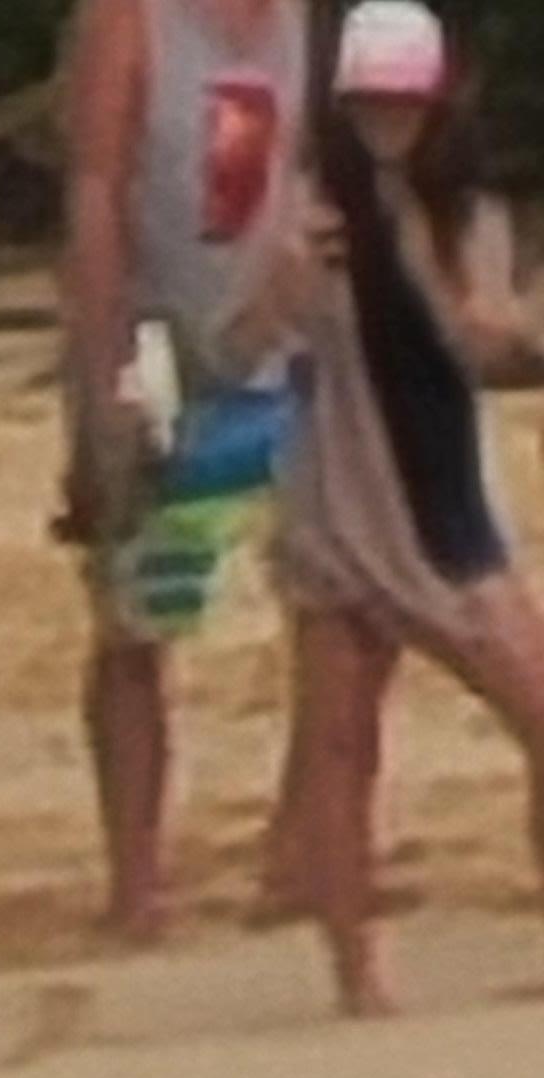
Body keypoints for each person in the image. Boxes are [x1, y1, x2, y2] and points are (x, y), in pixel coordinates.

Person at [221, 0, 544, 1012]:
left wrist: (480, 315)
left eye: (402, 107)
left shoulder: (472, 217)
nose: (386, 126)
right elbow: (231, 354)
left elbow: (489, 352)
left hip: (442, 502)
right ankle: (356, 975)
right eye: (369, 107)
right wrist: (280, 286)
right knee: (340, 746)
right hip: (336, 496)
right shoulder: (305, 207)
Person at [60, 0, 312, 938]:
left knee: (331, 595)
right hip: (160, 337)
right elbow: (97, 188)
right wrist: (109, 360)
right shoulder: (130, 20)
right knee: (141, 607)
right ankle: (137, 883)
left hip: (281, 335)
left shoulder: (294, 18)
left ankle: (300, 854)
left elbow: (306, 163)